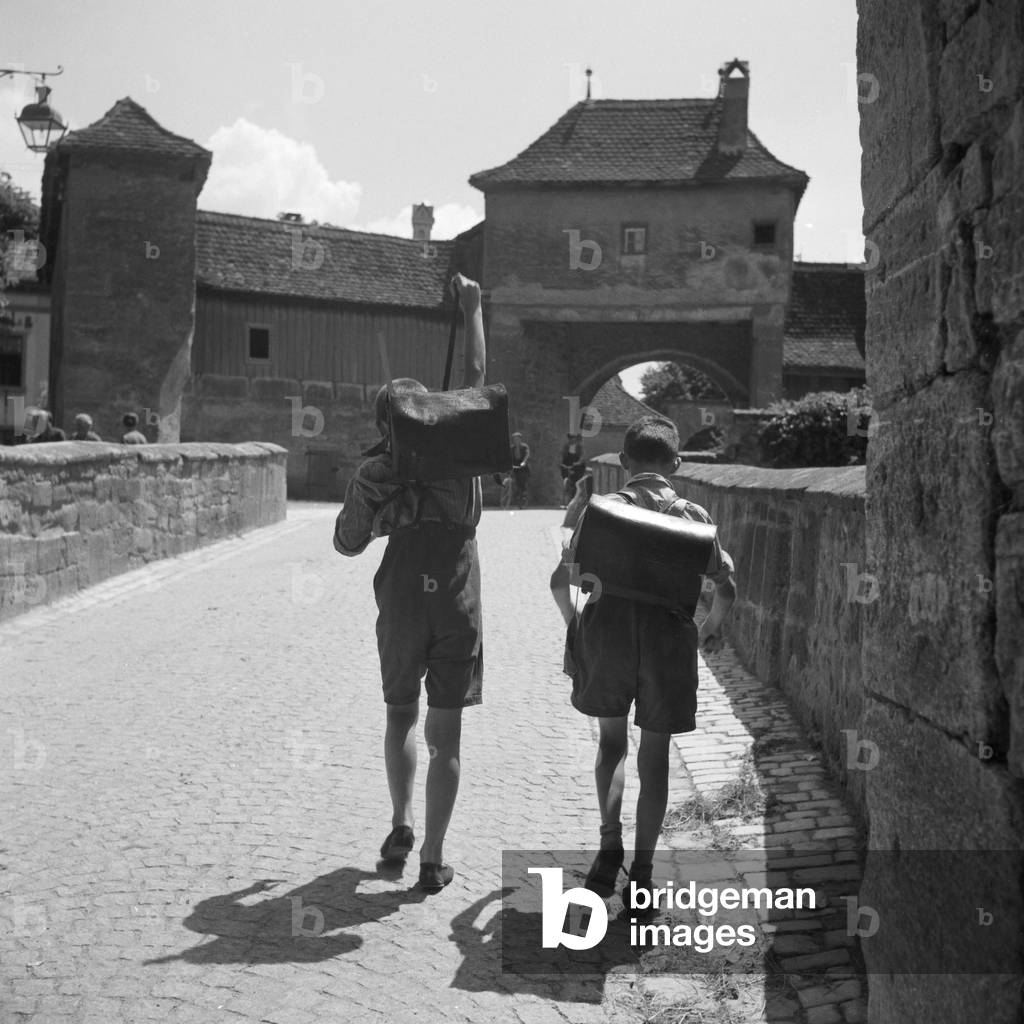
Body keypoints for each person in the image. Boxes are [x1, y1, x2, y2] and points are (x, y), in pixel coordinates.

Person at [333, 273, 486, 894]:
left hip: (400, 594)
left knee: (401, 714)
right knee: (444, 730)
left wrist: (376, 499)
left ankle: (399, 826)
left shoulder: (375, 470)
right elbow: (476, 374)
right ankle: (433, 858)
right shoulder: (462, 454)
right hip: (455, 591)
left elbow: (347, 542)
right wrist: (473, 308)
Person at [562, 414, 736, 911]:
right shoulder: (694, 517)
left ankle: (608, 843)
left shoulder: (603, 510)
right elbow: (724, 586)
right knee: (654, 758)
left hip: (609, 635)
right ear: (677, 464)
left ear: (623, 462)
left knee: (611, 744)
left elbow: (574, 574)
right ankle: (642, 873)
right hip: (666, 641)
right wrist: (708, 631)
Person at [549, 470, 594, 626]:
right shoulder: (674, 514)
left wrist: (573, 623)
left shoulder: (600, 512)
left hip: (604, 634)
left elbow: (558, 584)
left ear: (624, 461)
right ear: (675, 463)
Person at [560, 433, 586, 507]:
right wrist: (561, 464)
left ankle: (575, 500)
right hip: (567, 466)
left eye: (572, 438)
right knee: (566, 482)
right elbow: (562, 455)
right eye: (570, 438)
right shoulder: (566, 446)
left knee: (576, 483)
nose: (571, 439)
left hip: (577, 467)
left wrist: (578, 463)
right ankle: (566, 500)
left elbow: (582, 457)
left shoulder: (579, 447)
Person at [509, 432, 530, 508]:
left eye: (517, 439)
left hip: (523, 468)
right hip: (515, 467)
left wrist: (524, 462)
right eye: (515, 439)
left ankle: (523, 497)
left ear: (520, 439)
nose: (516, 440)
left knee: (522, 483)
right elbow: (510, 458)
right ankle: (517, 496)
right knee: (516, 483)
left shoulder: (524, 447)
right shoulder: (512, 448)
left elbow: (527, 454)